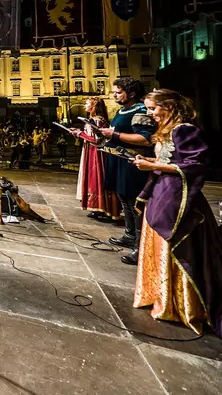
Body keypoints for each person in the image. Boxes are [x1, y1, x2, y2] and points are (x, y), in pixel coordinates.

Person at [131, 89, 222, 336]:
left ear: (169, 106)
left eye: (153, 109)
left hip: (176, 196)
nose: (150, 114)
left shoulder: (184, 129)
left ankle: (183, 304)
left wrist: (153, 165)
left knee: (176, 247)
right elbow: (171, 159)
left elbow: (195, 164)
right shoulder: (167, 131)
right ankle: (162, 296)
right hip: (163, 192)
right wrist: (150, 162)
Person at [99, 78, 156, 264]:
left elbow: (145, 139)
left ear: (131, 93)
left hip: (132, 161)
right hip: (118, 159)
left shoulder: (140, 110)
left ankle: (140, 247)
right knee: (123, 198)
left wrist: (114, 134)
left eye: (118, 92)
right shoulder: (123, 110)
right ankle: (129, 234)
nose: (114, 95)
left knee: (134, 202)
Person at [70, 97, 120, 220]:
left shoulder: (95, 120)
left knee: (96, 177)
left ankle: (101, 207)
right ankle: (100, 207)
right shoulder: (100, 119)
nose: (84, 106)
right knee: (97, 178)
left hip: (95, 153)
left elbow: (97, 140)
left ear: (94, 106)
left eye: (87, 104)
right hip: (94, 151)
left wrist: (80, 134)